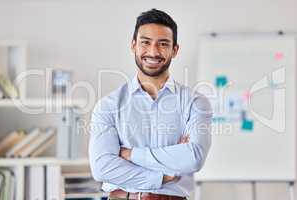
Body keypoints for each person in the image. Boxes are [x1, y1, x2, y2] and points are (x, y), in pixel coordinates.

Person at [89, 8, 212, 200]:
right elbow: (102, 168)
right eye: (145, 42)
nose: (153, 52)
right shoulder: (108, 105)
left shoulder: (195, 103)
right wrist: (164, 176)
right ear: (133, 46)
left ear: (175, 50)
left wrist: (130, 154)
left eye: (163, 44)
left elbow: (193, 157)